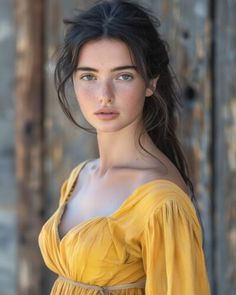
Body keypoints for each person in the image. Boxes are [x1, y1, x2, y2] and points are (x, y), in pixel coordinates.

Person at [38, 0, 211, 294]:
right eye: (89, 76)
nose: (104, 96)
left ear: (150, 83)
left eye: (123, 76)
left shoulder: (162, 201)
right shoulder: (80, 177)